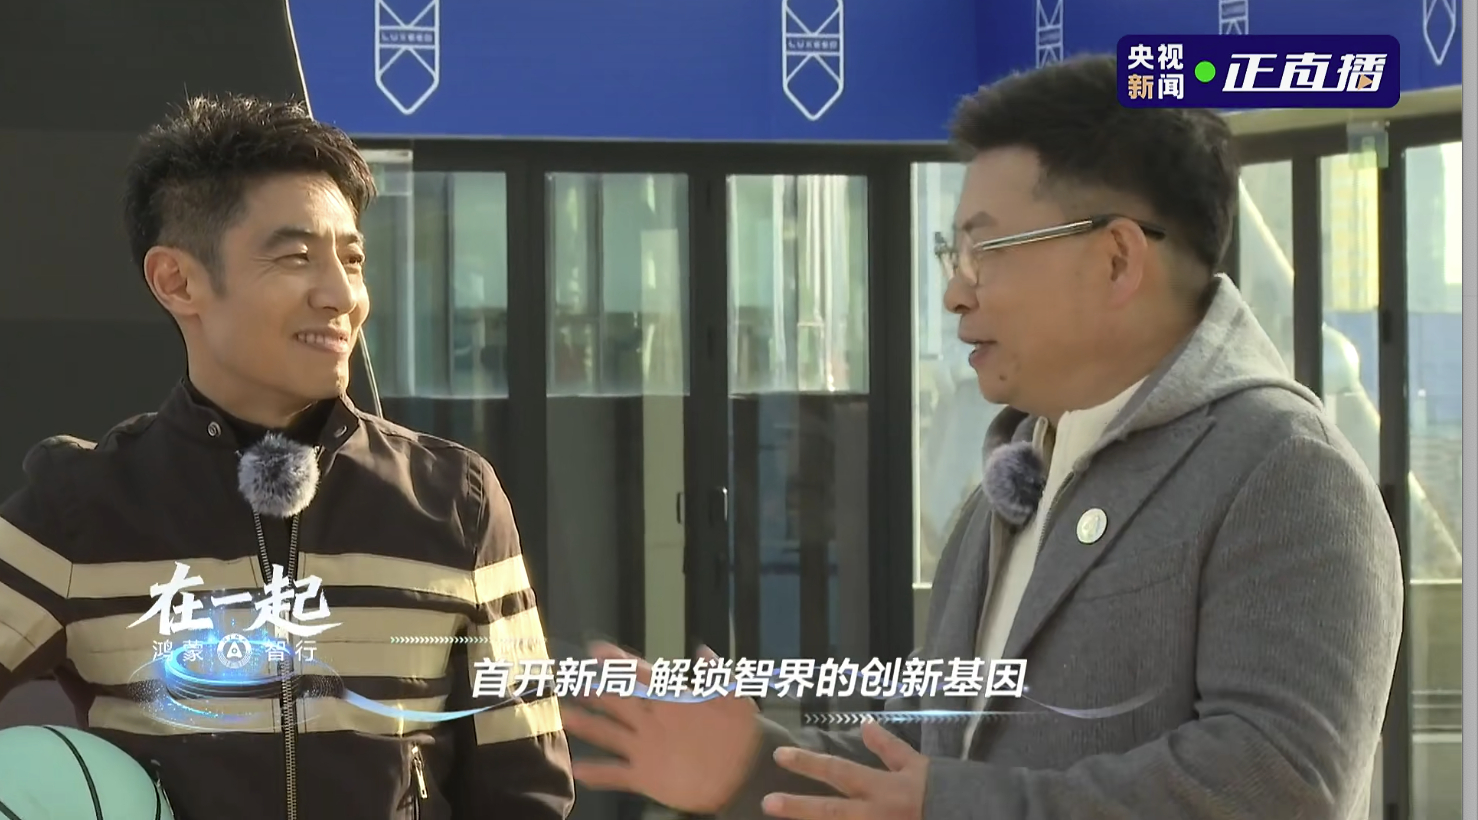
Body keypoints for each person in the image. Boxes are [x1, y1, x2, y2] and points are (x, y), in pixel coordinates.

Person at [561, 54, 1402, 820]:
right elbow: (920, 760)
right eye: (952, 254)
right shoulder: (1018, 477)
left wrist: (948, 805)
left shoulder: (1284, 471)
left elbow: (1279, 785)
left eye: (987, 251)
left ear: (1117, 259)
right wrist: (750, 769)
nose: (956, 294)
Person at [0, 95, 574, 819]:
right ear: (178, 281)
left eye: (352, 259)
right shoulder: (83, 508)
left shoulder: (456, 501)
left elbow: (526, 791)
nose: (342, 296)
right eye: (296, 257)